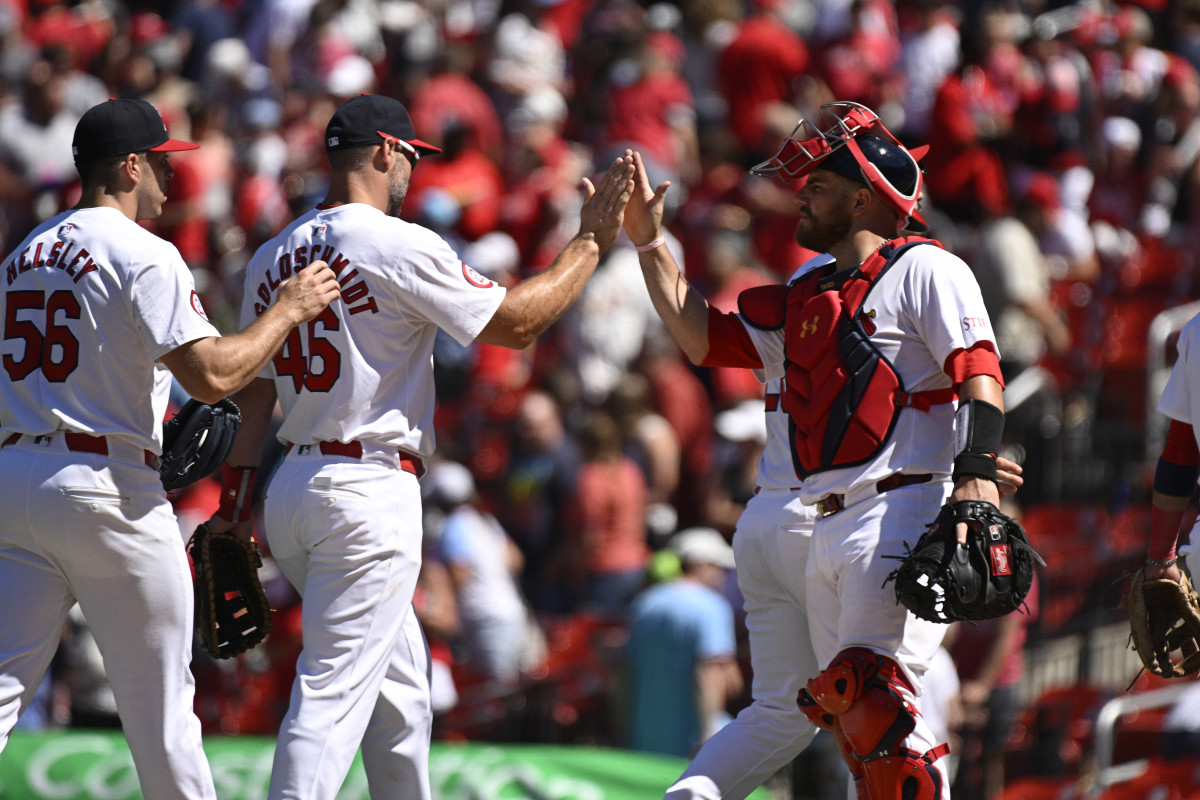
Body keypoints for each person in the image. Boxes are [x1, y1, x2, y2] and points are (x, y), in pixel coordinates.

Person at [206, 93, 633, 800]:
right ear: (383, 151)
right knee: (331, 695)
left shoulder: (272, 255)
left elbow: (253, 397)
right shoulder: (393, 242)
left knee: (401, 702)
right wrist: (589, 242)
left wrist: (234, 503)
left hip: (294, 489)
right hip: (365, 491)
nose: (412, 170)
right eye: (408, 155)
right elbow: (519, 324)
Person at [624, 98, 1009, 799]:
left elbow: (979, 370)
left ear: (865, 198)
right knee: (861, 727)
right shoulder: (808, 286)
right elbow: (708, 340)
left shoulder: (928, 267)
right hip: (824, 521)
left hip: (899, 506)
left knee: (882, 711)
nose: (803, 198)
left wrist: (976, 471)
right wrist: (652, 246)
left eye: (822, 188)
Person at [0, 97, 341, 799]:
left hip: (13, 478)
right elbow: (213, 375)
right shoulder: (143, 253)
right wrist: (289, 309)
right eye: (160, 162)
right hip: (105, 487)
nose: (168, 177)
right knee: (163, 718)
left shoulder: (21, 255)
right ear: (129, 166)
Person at [625, 527, 743, 758]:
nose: (723, 577)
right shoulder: (712, 606)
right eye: (719, 568)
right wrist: (709, 733)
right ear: (701, 565)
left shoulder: (643, 604)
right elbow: (710, 672)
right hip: (692, 746)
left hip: (644, 742)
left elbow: (626, 671)